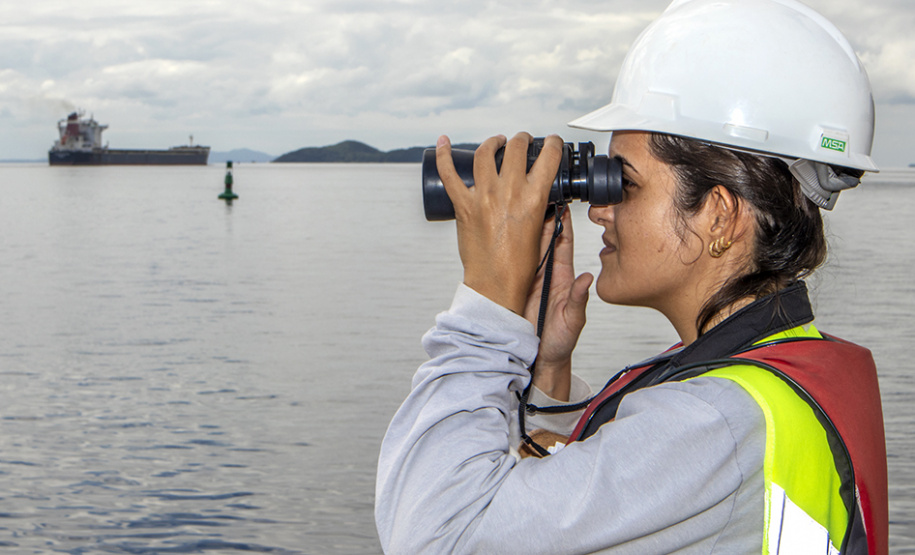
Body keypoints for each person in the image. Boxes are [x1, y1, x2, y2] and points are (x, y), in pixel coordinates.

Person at [375, 0, 888, 553]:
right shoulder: (776, 371)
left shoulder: (713, 421)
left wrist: (487, 309)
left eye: (627, 183)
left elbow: (434, 535)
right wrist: (547, 368)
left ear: (719, 215)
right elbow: (596, 499)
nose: (598, 210)